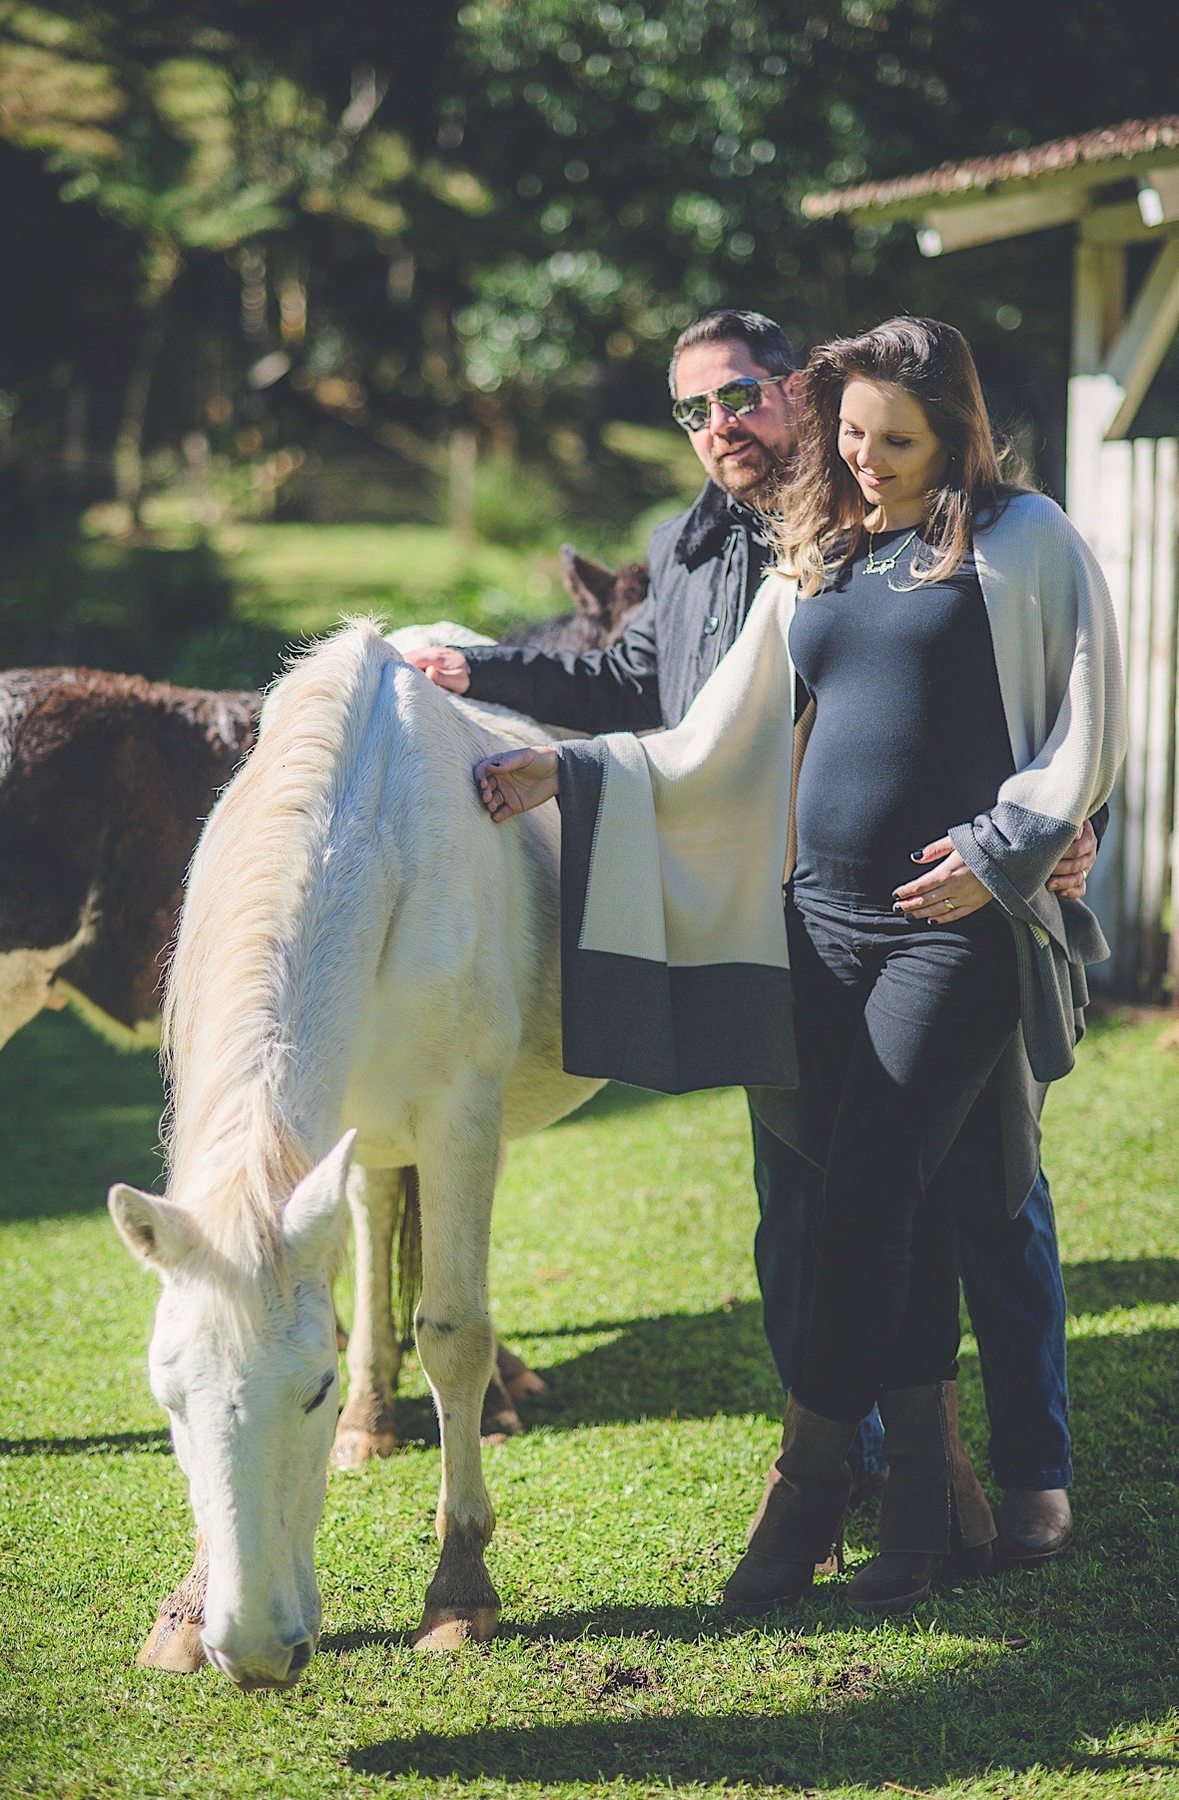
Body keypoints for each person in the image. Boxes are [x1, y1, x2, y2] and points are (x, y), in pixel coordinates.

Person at [409, 309, 1096, 1566]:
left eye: (893, 437)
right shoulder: (805, 551)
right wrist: (568, 767)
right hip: (805, 925)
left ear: (951, 433)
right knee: (844, 1201)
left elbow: (1084, 712)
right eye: (856, 435)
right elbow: (703, 727)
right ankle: (927, 1495)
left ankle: (857, 1484)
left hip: (950, 923)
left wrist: (1026, 842)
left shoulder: (1020, 536)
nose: (869, 455)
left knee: (957, 1191)